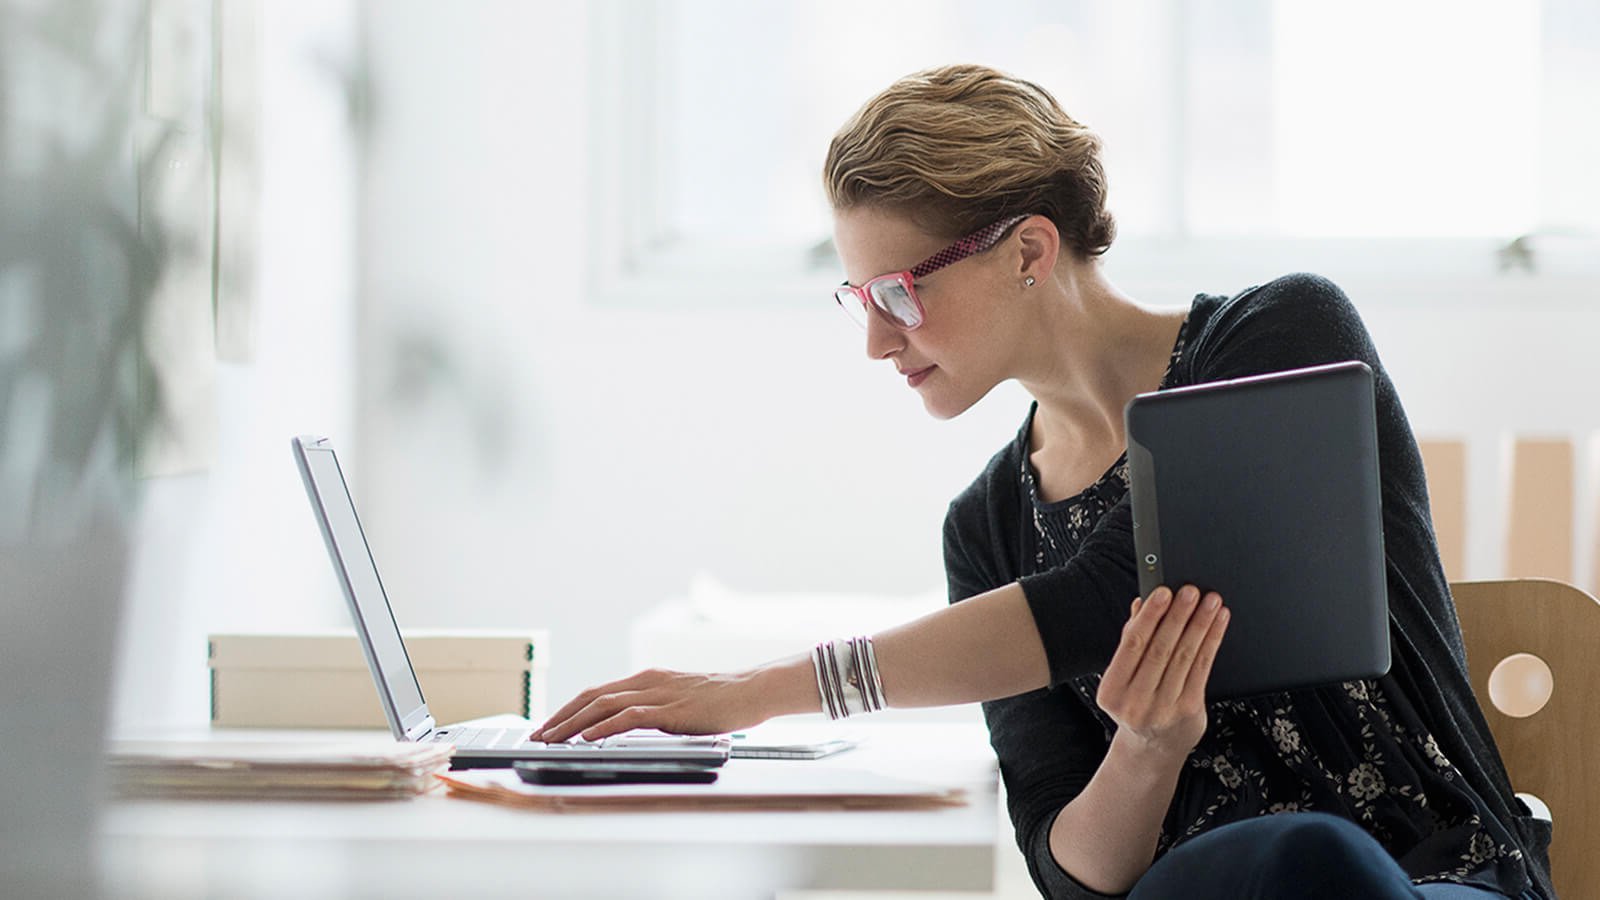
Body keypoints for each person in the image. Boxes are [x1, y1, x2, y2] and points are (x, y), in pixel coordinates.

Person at [538, 64, 1554, 900]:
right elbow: (1072, 876)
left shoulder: (1279, 340)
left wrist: (755, 691)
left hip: (1439, 877)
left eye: (898, 293)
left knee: (1305, 858)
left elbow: (1111, 593)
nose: (877, 340)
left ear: (1027, 248)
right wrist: (1146, 753)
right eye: (858, 298)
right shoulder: (985, 527)